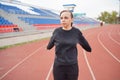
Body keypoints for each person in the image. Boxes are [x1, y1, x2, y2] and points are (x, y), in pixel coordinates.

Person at [47, 10, 92, 80]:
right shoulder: (57, 32)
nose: (63, 20)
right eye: (61, 18)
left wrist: (86, 45)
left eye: (66, 18)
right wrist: (50, 45)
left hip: (72, 67)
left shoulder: (76, 32)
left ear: (72, 19)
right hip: (58, 67)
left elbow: (88, 48)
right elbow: (49, 46)